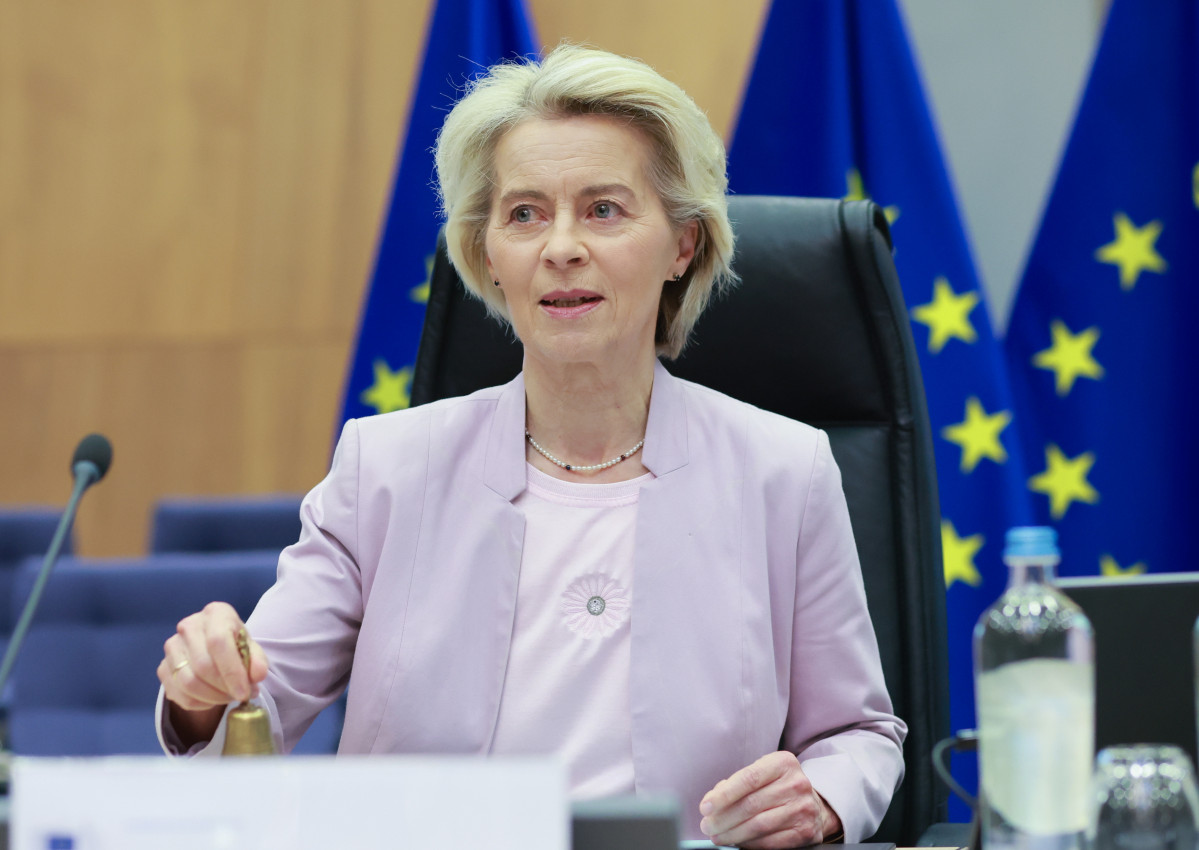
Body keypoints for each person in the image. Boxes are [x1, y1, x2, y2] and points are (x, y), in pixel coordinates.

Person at [157, 44, 906, 847]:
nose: (560, 247)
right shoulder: (386, 468)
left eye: (604, 209)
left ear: (682, 246)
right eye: (524, 214)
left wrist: (821, 799)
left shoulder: (781, 471)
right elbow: (254, 708)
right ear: (487, 256)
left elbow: (857, 734)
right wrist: (206, 687)